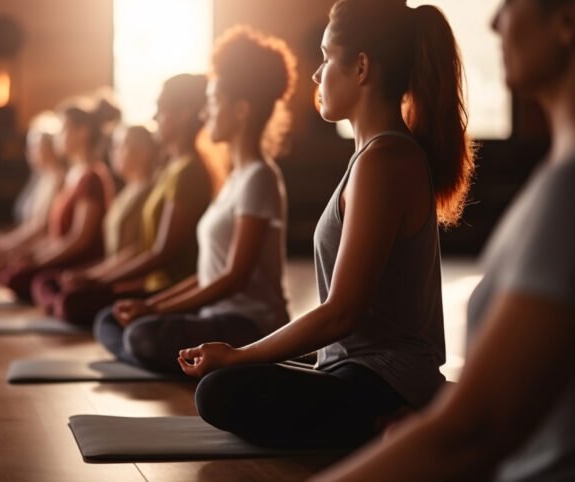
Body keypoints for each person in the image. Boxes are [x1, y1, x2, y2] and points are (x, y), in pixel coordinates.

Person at [179, 0, 475, 450]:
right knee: (232, 379)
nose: (317, 74)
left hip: (387, 382)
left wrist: (239, 354)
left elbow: (342, 311)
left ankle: (419, 415)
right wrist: (243, 357)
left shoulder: (386, 160)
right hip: (350, 370)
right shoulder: (370, 158)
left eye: (325, 57)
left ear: (360, 67)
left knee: (220, 391)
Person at [310, 1, 575, 480]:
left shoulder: (573, 193)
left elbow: (472, 432)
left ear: (568, 20)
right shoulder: (558, 183)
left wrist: (436, 422)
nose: (494, 21)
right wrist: (434, 418)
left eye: (511, 2)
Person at [93, 26, 298, 373]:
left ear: (241, 110)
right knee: (110, 321)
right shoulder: (236, 178)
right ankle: (172, 360)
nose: (204, 115)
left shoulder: (259, 178)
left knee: (141, 334)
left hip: (248, 325)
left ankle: (171, 360)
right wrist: (153, 304)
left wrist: (155, 311)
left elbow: (234, 278)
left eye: (213, 103)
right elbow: (209, 274)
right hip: (214, 317)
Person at [34, 74, 214, 325]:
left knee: (81, 306)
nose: (154, 118)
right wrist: (92, 275)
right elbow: (141, 245)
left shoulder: (189, 173)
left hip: (166, 288)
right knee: (53, 286)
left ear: (184, 114)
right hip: (147, 285)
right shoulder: (169, 170)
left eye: (161, 110)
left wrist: (98, 280)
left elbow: (162, 253)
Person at [0, 93, 120, 302]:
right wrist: (28, 256)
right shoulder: (72, 175)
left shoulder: (93, 176)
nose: (57, 138)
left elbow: (79, 239)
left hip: (77, 263)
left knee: (22, 278)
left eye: (63, 130)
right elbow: (53, 235)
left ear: (82, 132)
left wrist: (37, 262)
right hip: (59, 258)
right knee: (15, 273)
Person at [31, 124, 160, 320]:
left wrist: (94, 277)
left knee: (69, 300)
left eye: (120, 146)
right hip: (108, 272)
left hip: (129, 281)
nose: (113, 152)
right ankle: (56, 305)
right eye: (113, 146)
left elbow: (136, 250)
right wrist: (87, 274)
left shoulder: (150, 192)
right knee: (46, 282)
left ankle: (58, 306)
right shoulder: (126, 191)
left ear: (143, 152)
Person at [0, 111, 65, 274]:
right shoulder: (39, 179)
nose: (29, 152)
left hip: (39, 247)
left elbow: (41, 228)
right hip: (24, 244)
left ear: (50, 147)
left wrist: (3, 246)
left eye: (35, 146)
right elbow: (25, 225)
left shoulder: (60, 180)